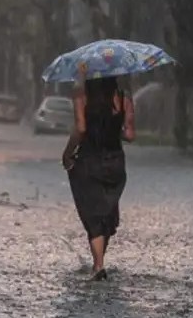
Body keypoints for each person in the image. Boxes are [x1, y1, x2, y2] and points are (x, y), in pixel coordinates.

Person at [61, 64, 136, 281]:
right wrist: (112, 129)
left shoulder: (81, 95)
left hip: (89, 160)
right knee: (106, 212)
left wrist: (67, 154)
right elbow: (130, 135)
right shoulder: (123, 98)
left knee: (92, 213)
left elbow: (81, 129)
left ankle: (98, 266)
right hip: (115, 162)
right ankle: (99, 262)